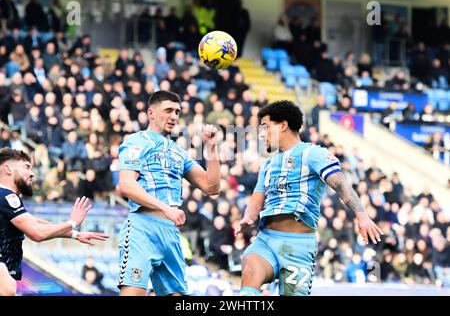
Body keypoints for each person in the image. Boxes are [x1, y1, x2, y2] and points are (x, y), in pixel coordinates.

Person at [235, 100, 383, 296]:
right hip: (266, 240)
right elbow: (256, 199)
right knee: (249, 272)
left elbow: (341, 185)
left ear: (283, 125)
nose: (261, 134)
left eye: (265, 127)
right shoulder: (268, 165)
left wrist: (361, 215)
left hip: (298, 246)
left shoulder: (313, 154)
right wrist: (248, 216)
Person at [117, 90, 220, 296]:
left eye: (177, 112)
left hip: (170, 232)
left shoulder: (178, 152)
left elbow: (212, 187)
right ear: (151, 113)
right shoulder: (137, 141)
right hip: (142, 228)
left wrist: (211, 148)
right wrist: (166, 208)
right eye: (168, 110)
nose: (174, 116)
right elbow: (126, 185)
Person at [0, 148, 108, 296]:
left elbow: (34, 223)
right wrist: (72, 222)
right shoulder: (6, 196)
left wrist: (74, 234)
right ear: (8, 169)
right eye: (26, 166)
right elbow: (37, 233)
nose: (32, 173)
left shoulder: (5, 198)